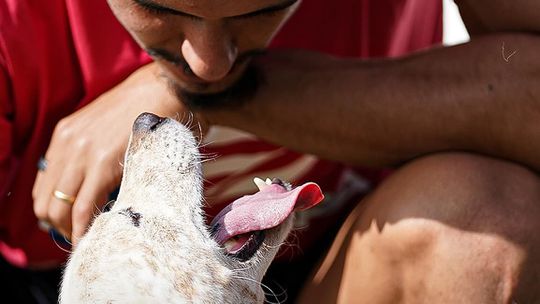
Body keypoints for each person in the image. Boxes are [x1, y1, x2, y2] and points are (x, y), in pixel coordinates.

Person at [1, 0, 539, 302]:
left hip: (336, 265)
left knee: (488, 228)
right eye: (156, 7)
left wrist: (200, 95)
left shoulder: (200, 74)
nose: (208, 64)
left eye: (262, 8)